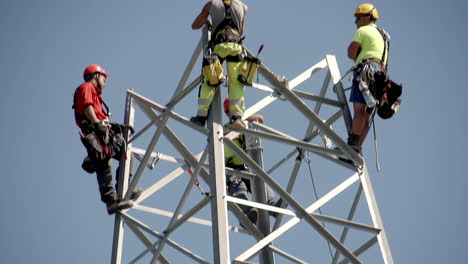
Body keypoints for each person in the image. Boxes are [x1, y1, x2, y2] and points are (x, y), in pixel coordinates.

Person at [73, 64, 143, 215]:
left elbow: (98, 115)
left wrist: (113, 128)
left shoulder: (97, 95)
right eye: (103, 78)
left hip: (103, 133)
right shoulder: (87, 87)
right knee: (104, 163)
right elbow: (87, 108)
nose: (105, 82)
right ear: (96, 76)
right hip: (94, 132)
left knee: (127, 154)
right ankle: (111, 202)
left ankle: (124, 189)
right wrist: (98, 124)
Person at [190, 0, 248, 128]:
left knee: (211, 80)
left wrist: (207, 21)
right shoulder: (242, 6)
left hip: (220, 46)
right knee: (236, 83)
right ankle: (237, 117)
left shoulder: (211, 4)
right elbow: (241, 31)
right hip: (236, 47)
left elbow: (195, 25)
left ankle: (201, 117)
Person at [223, 98, 282, 225]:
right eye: (231, 110)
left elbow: (260, 118)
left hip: (247, 167)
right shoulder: (224, 129)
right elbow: (221, 133)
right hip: (233, 170)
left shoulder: (243, 123)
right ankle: (248, 217)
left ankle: (275, 208)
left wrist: (242, 119)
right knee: (240, 193)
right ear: (227, 112)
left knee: (262, 185)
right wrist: (236, 126)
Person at [346, 3, 388, 153]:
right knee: (367, 115)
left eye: (358, 18)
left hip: (365, 72)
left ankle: (352, 145)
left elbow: (351, 52)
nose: (356, 22)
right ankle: (357, 147)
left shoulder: (363, 31)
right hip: (379, 78)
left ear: (367, 17)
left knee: (359, 111)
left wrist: (357, 58)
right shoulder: (383, 36)